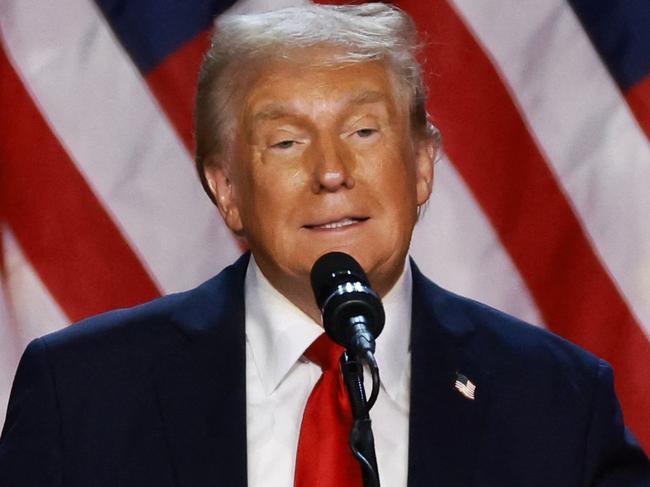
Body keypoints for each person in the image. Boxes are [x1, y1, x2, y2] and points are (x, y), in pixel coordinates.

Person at [0, 3, 648, 486]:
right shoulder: (81, 394)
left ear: (422, 164)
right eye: (285, 141)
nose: (332, 170)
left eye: (364, 130)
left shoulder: (557, 403)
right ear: (226, 188)